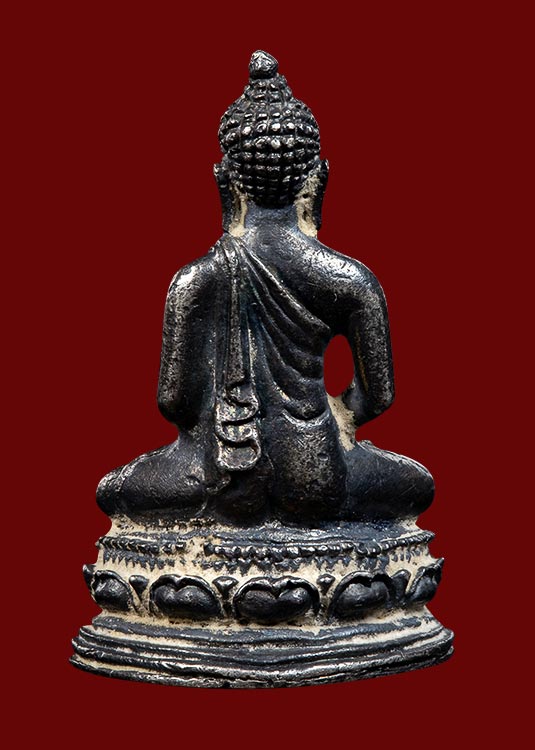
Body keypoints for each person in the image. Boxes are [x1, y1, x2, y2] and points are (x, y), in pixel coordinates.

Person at [97, 51, 434, 525]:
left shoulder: (196, 279)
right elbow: (377, 396)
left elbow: (175, 403)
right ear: (318, 180)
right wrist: (334, 419)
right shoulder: (350, 279)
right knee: (417, 483)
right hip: (317, 470)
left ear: (225, 182)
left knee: (116, 490)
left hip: (219, 472)